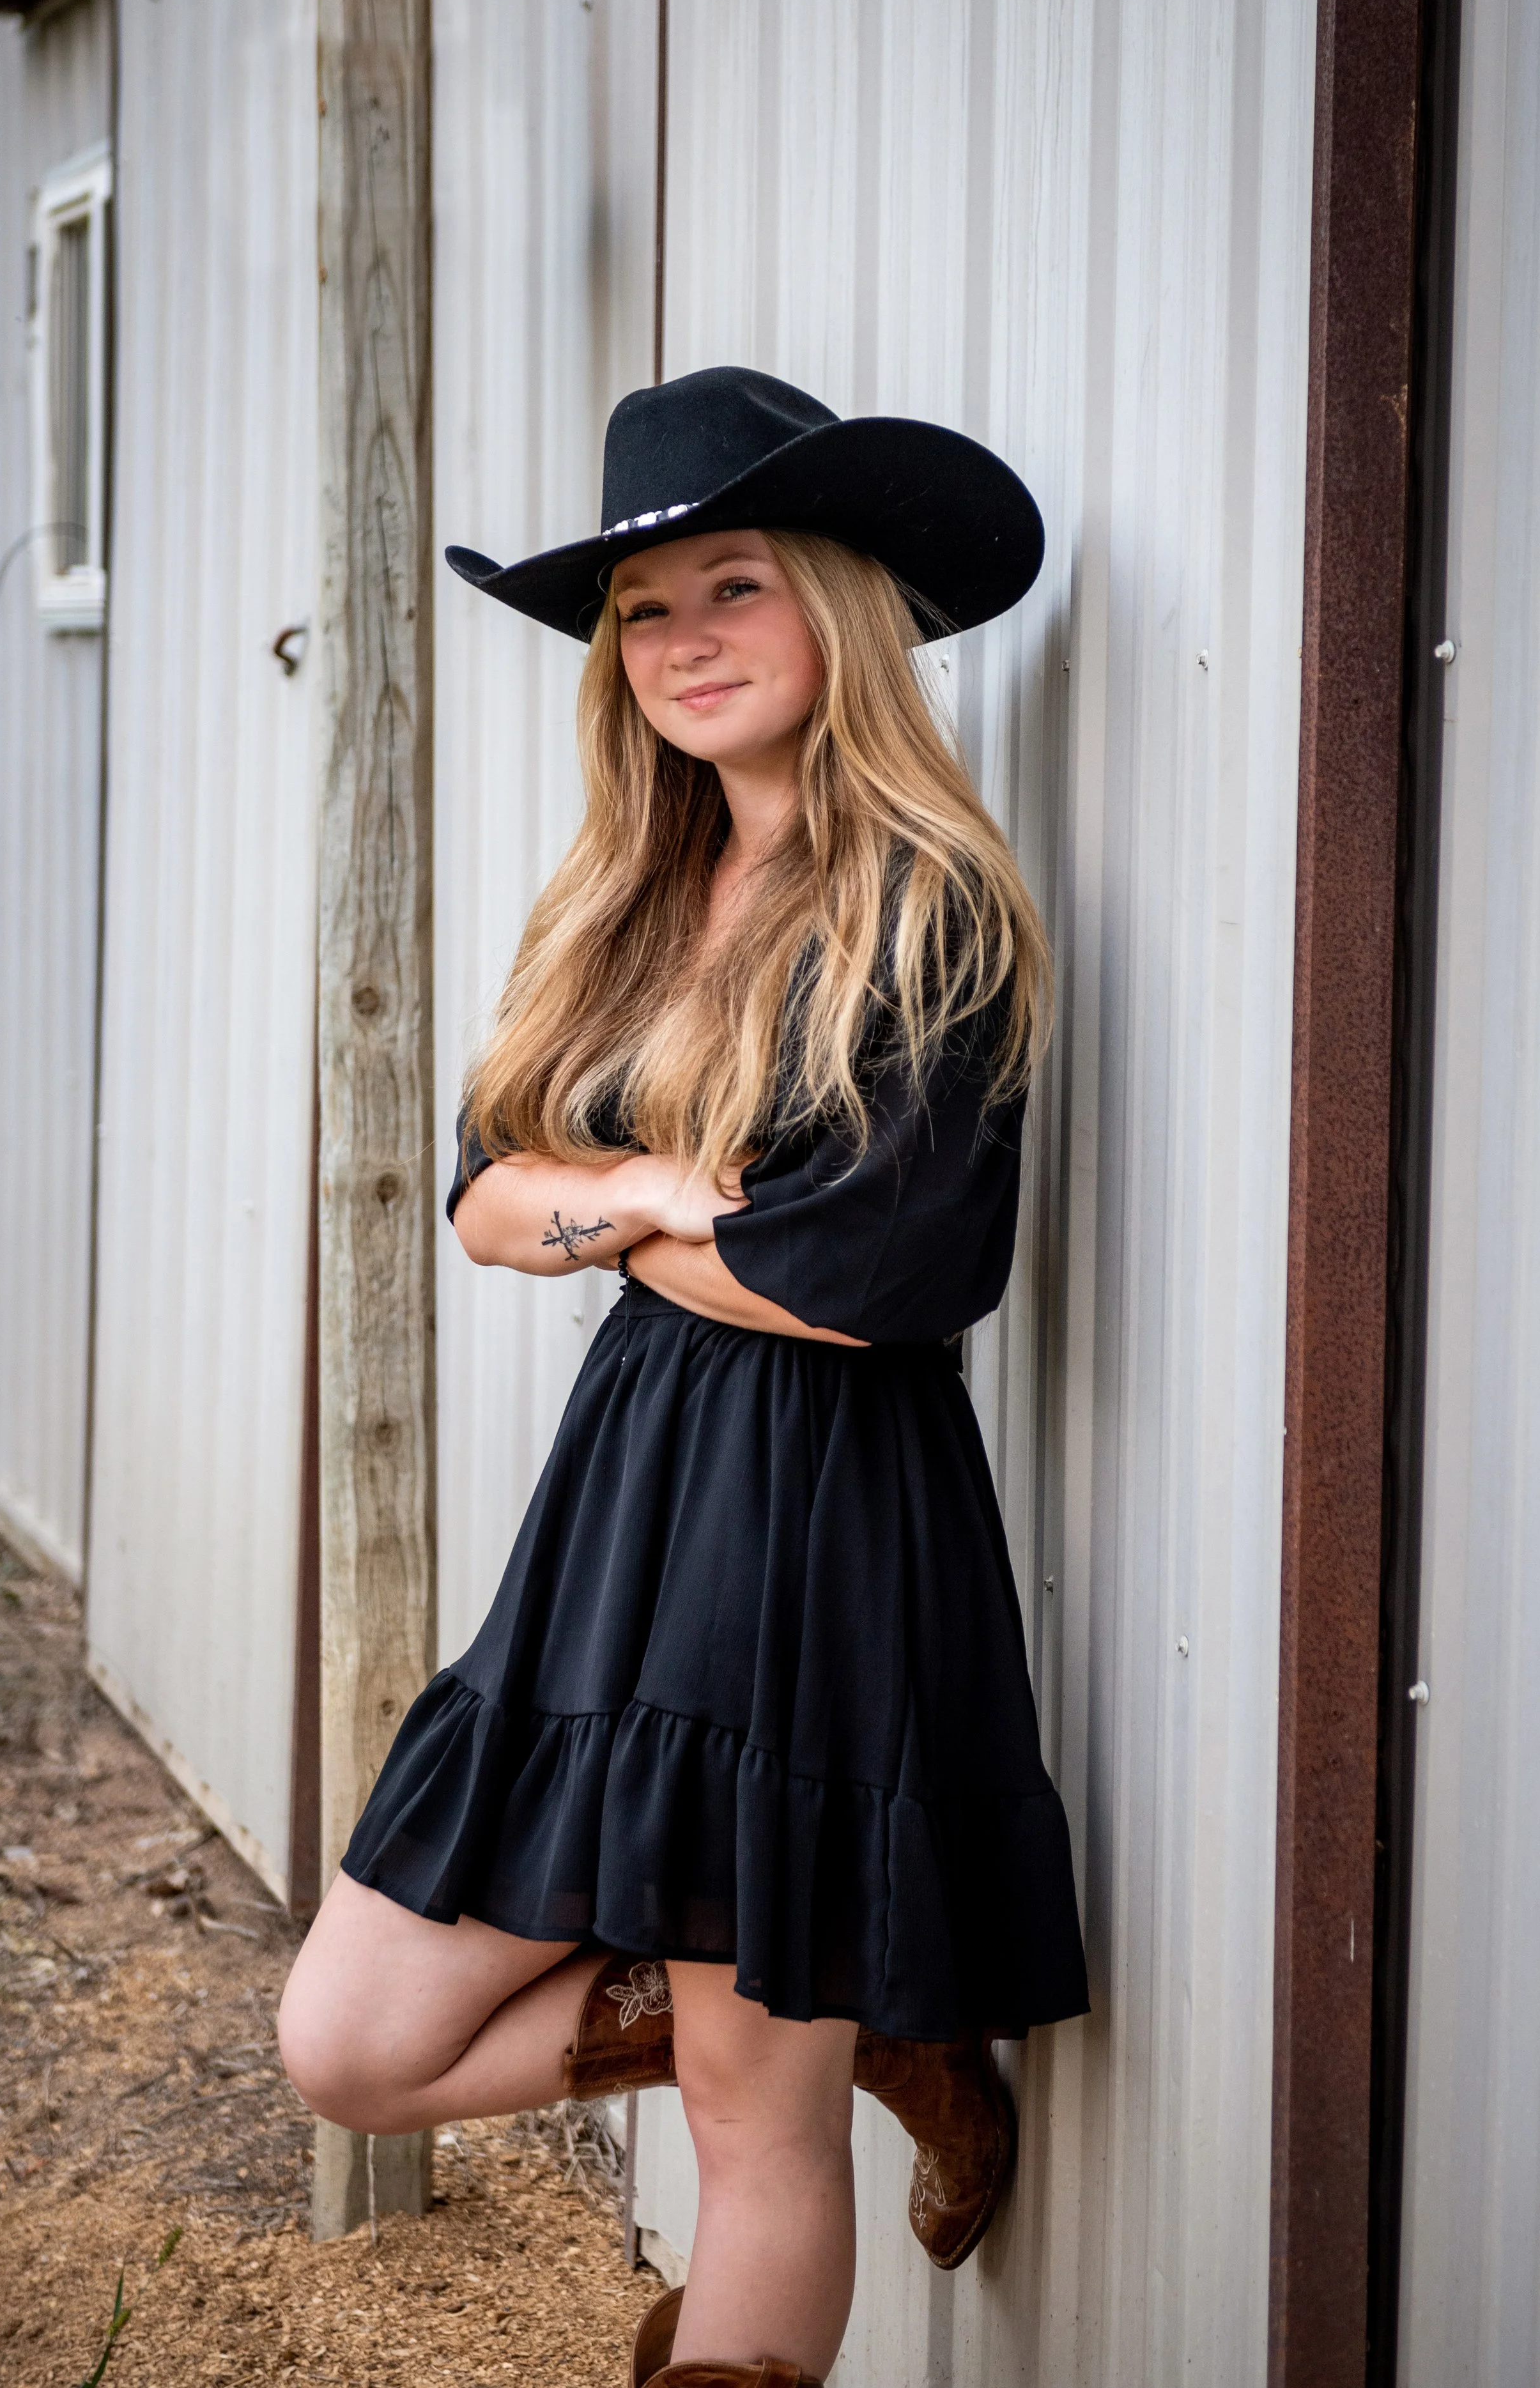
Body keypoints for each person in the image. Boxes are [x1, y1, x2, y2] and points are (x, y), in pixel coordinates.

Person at [279, 366, 1088, 2388]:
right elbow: (474, 1201)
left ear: (840, 607)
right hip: (626, 1508)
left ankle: (805, 2040)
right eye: (642, 609)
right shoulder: (624, 902)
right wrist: (654, 1190)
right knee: (349, 2049)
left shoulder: (924, 907)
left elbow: (869, 1287)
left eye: (732, 585)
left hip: (824, 1533)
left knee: (755, 2126)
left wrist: (612, 1216)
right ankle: (844, 2012)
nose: (680, 642)